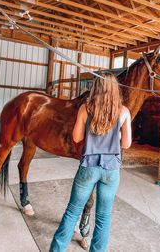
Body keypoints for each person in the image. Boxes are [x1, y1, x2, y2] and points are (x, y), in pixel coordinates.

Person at [49, 73, 132, 252]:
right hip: (111, 170)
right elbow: (126, 144)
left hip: (88, 167)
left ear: (96, 88)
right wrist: (115, 135)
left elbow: (77, 138)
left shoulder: (86, 109)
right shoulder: (124, 111)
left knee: (72, 212)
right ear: (115, 89)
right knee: (103, 217)